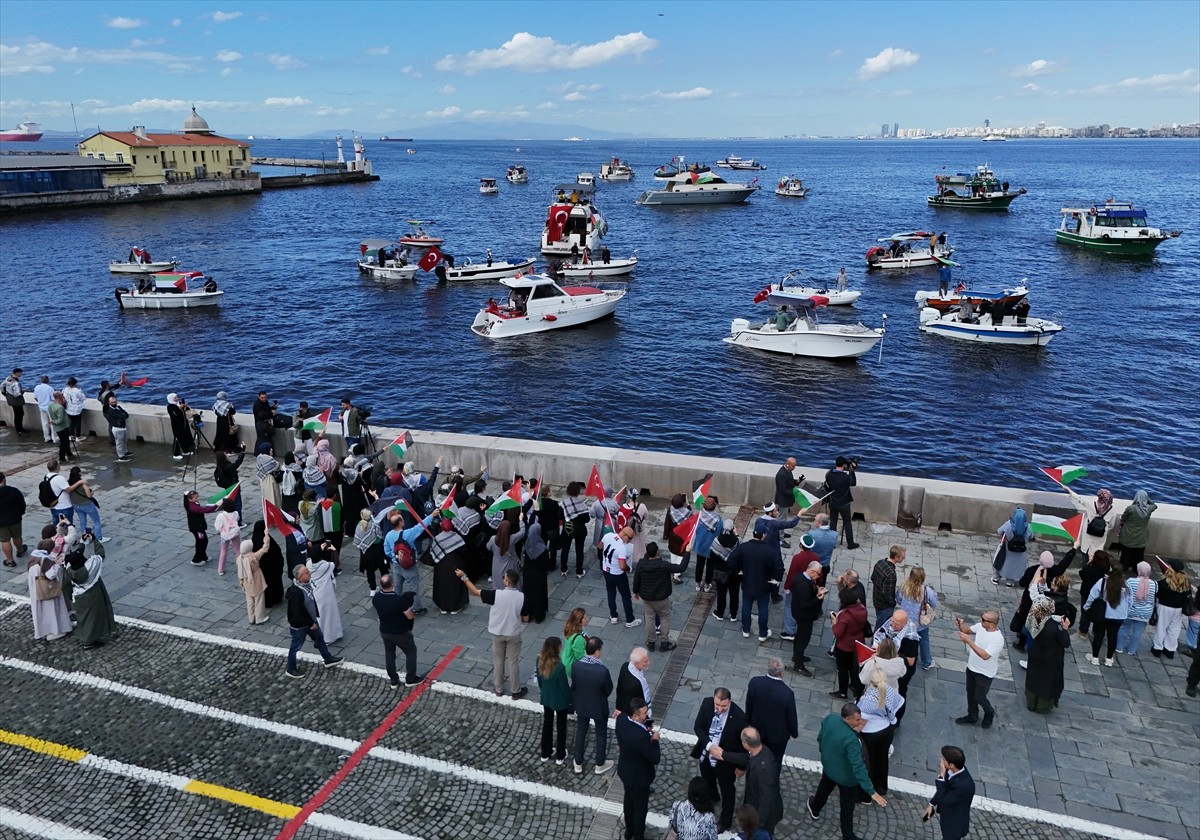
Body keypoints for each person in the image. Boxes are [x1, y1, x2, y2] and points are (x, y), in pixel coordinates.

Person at [808, 703, 887, 840]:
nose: (860, 722)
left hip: (830, 768)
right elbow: (858, 767)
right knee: (847, 806)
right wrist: (871, 792)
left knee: (824, 789)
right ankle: (848, 835)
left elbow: (821, 738)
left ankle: (815, 808)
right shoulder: (851, 740)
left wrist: (825, 754)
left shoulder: (830, 719)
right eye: (857, 719)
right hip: (847, 778)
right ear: (847, 719)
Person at [461, 568, 527, 699]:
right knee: (513, 662)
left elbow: (474, 591)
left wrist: (464, 577)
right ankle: (515, 690)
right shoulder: (521, 597)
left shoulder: (496, 595)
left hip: (497, 632)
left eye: (504, 577)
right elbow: (525, 617)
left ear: (507, 582)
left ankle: (499, 689)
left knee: (498, 661)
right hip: (513, 633)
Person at [691, 687, 747, 834]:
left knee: (728, 790)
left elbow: (743, 745)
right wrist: (709, 746)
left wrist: (741, 767)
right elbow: (698, 727)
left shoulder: (740, 717)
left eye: (724, 706)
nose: (720, 709)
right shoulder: (706, 704)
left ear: (730, 702)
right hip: (707, 754)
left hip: (726, 760)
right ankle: (713, 797)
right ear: (713, 699)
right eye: (717, 705)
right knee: (707, 779)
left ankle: (725, 820)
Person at [715, 727, 782, 837]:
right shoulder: (761, 751)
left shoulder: (763, 770)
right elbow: (746, 758)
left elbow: (767, 799)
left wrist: (756, 824)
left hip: (765, 817)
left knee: (764, 836)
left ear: (745, 744)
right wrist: (723, 755)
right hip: (757, 808)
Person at [284, 564, 343, 678]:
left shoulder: (305, 585)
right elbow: (297, 614)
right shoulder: (296, 593)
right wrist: (310, 623)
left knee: (320, 638)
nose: (309, 573)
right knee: (295, 647)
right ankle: (291, 668)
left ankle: (328, 659)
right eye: (306, 572)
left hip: (310, 621)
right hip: (301, 625)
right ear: (300, 577)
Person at [727, 526, 784, 643]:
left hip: (747, 582)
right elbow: (780, 567)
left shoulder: (744, 547)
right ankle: (763, 633)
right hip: (764, 585)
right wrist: (776, 579)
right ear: (764, 535)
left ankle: (746, 629)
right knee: (763, 608)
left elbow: (731, 560)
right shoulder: (770, 550)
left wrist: (738, 571)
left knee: (746, 606)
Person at [616, 696, 661, 840]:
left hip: (625, 770)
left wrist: (645, 726)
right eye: (644, 714)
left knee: (628, 801)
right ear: (635, 716)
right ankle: (638, 835)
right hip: (640, 777)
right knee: (640, 808)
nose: (646, 715)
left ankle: (629, 831)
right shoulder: (640, 737)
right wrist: (655, 740)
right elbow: (655, 758)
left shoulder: (622, 719)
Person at [570, 636, 615, 774]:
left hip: (582, 705)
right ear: (596, 652)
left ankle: (578, 763)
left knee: (581, 732)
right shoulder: (602, 671)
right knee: (601, 734)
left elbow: (574, 686)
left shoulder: (576, 666)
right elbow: (608, 689)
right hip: (598, 706)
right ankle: (600, 764)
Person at [856, 669, 903, 795]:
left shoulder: (868, 699)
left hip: (870, 733)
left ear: (871, 681)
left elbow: (862, 720)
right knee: (882, 758)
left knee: (868, 761)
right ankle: (881, 787)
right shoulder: (889, 690)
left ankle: (866, 792)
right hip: (887, 730)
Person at [745, 658, 797, 773]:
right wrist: (794, 732)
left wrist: (748, 722)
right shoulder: (787, 693)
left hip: (757, 731)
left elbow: (749, 704)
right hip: (777, 736)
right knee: (775, 761)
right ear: (782, 673)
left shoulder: (755, 682)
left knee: (754, 756)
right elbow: (791, 716)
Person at [372, 573, 423, 688]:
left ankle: (394, 680)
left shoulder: (376, 598)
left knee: (389, 654)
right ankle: (410, 678)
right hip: (400, 632)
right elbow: (410, 616)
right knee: (411, 652)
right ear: (392, 584)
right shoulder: (398, 600)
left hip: (385, 631)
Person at [954, 610, 1003, 728]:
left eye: (983, 619)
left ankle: (989, 712)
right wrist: (961, 624)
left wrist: (969, 642)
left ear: (992, 623)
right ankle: (972, 715)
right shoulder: (981, 627)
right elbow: (967, 630)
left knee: (979, 697)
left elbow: (985, 655)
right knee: (970, 693)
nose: (980, 621)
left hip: (985, 673)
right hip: (972, 668)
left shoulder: (997, 639)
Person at [1024, 595, 1071, 713]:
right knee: (1046, 682)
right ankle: (1042, 705)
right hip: (1050, 659)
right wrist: (1065, 629)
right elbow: (1065, 643)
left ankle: (1031, 702)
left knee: (1033, 678)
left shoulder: (1033, 620)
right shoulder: (1053, 627)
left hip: (1035, 654)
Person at [66, 545, 116, 650]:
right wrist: (94, 540)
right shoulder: (91, 568)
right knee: (93, 619)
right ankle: (89, 641)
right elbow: (100, 554)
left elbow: (65, 583)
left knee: (84, 618)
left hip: (78, 596)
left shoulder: (69, 570)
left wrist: (82, 543)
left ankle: (86, 637)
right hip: (92, 596)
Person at [923, 745, 976, 840]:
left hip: (954, 824)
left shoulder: (964, 786)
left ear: (952, 765)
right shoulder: (952, 771)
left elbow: (942, 798)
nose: (941, 761)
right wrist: (931, 804)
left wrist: (941, 776)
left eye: (943, 759)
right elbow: (943, 790)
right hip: (948, 815)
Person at [871, 610, 921, 712]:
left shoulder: (910, 639)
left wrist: (887, 653)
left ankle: (897, 716)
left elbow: (910, 662)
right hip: (889, 664)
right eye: (892, 621)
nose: (893, 625)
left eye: (897, 624)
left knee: (900, 692)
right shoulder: (888, 624)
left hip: (902, 670)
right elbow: (881, 635)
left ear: (905, 623)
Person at [632, 541, 674, 651]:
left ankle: (651, 641)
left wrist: (636, 591)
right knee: (664, 618)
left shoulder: (641, 564)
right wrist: (687, 553)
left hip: (647, 598)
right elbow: (681, 567)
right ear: (657, 552)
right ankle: (664, 642)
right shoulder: (664, 565)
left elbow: (636, 579)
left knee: (649, 618)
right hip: (662, 598)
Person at [535, 637, 571, 764]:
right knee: (561, 726)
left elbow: (539, 680)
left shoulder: (539, 660)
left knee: (547, 723)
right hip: (560, 700)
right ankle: (560, 755)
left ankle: (546, 752)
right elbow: (564, 687)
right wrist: (570, 699)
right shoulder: (560, 668)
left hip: (546, 697)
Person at [27, 542, 72, 641]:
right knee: (52, 611)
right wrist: (57, 564)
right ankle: (55, 631)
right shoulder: (45, 560)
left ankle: (48, 629)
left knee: (42, 612)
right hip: (47, 589)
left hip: (36, 588)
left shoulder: (33, 555)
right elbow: (51, 574)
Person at [1084, 570, 1130, 666]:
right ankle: (1109, 659)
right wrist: (1126, 612)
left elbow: (1092, 595)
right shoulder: (1126, 585)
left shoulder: (1103, 582)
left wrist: (1087, 606)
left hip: (1103, 614)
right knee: (1113, 636)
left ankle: (1095, 658)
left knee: (1099, 635)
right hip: (1118, 616)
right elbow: (1130, 601)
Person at [897, 566, 940, 669]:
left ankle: (900, 658)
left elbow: (898, 600)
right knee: (924, 640)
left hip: (905, 622)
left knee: (902, 639)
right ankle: (927, 662)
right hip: (920, 622)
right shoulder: (926, 590)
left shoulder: (903, 587)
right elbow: (934, 603)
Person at [789, 560, 826, 676]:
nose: (819, 576)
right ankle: (798, 665)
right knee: (803, 639)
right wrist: (818, 598)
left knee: (799, 636)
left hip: (798, 612)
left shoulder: (799, 576)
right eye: (818, 574)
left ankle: (797, 656)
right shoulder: (804, 585)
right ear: (811, 571)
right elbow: (805, 604)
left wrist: (816, 591)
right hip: (804, 616)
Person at [831, 587, 869, 699]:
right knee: (853, 667)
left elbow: (837, 632)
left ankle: (842, 692)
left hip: (844, 645)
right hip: (858, 642)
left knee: (843, 669)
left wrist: (834, 623)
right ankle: (854, 686)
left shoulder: (845, 616)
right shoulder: (862, 609)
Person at [601, 526, 641, 628]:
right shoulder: (621, 548)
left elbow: (600, 545)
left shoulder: (608, 536)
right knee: (626, 596)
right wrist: (629, 569)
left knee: (611, 593)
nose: (630, 541)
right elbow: (622, 565)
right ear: (625, 535)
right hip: (618, 574)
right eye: (630, 538)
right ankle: (630, 619)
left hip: (606, 570)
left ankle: (613, 615)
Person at [782, 533, 820, 640]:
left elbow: (792, 574)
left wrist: (787, 586)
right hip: (809, 586)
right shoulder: (816, 557)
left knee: (789, 607)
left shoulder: (797, 558)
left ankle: (790, 631)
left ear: (800, 545)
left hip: (796, 587)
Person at [1116, 561, 1157, 656]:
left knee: (1123, 628)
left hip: (1130, 610)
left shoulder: (1130, 581)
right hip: (1145, 613)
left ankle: (1119, 647)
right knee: (1138, 632)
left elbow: (1125, 595)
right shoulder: (1154, 584)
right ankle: (1132, 650)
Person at [1153, 559, 1192, 658]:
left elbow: (1158, 593)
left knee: (1161, 627)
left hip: (1164, 607)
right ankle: (1169, 650)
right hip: (1178, 609)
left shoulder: (1164, 581)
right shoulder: (1185, 582)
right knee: (1174, 629)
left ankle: (1157, 648)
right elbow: (1187, 594)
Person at [430, 518, 469, 615]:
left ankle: (443, 607)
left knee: (442, 585)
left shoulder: (437, 538)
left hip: (441, 566)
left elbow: (432, 552)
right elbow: (463, 550)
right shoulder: (457, 537)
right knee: (455, 585)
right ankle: (455, 607)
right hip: (456, 564)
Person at [1067, 487, 1117, 558]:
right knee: (1096, 556)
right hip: (1100, 537)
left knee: (1084, 553)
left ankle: (1085, 565)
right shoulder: (1113, 509)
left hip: (1087, 535)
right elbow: (1111, 525)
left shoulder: (1091, 504)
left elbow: (1079, 499)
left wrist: (1068, 490)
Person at [306, 549, 343, 643]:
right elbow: (335, 563)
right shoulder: (326, 566)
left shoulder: (308, 564)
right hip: (326, 593)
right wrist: (334, 550)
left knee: (320, 616)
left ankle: (321, 635)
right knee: (330, 614)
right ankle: (332, 636)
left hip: (315, 593)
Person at [1116, 491, 1157, 573]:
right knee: (1139, 555)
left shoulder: (1131, 508)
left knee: (1126, 554)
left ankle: (1124, 568)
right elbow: (1155, 505)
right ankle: (1137, 569)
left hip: (1128, 535)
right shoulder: (1149, 509)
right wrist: (1147, 499)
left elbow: (1123, 518)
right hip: (1141, 537)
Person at [709, 519, 741, 622]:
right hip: (735, 573)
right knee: (734, 594)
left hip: (720, 572)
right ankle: (733, 615)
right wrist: (737, 534)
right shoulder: (738, 541)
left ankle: (720, 613)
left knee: (721, 593)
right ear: (732, 528)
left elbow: (711, 558)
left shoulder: (716, 541)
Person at [824, 457, 859, 549]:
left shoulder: (829, 474)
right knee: (847, 522)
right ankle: (850, 543)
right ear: (844, 465)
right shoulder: (846, 477)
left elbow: (826, 486)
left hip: (833, 502)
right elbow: (853, 483)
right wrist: (852, 470)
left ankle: (832, 543)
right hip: (844, 503)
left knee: (833, 521)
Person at [1076, 549, 1111, 638]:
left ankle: (1083, 630)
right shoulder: (1106, 572)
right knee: (1098, 612)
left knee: (1085, 612)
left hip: (1086, 593)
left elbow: (1082, 573)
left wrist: (1088, 562)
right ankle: (1095, 631)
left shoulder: (1088, 569)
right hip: (1100, 596)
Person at [236, 538, 271, 625]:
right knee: (259, 599)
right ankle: (259, 618)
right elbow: (265, 548)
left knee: (250, 601)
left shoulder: (239, 558)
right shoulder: (253, 557)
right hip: (256, 580)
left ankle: (251, 618)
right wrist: (266, 537)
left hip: (246, 581)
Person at [690, 496, 722, 591]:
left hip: (700, 546)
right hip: (712, 547)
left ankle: (698, 583)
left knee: (699, 564)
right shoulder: (718, 520)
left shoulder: (698, 517)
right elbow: (721, 532)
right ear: (714, 507)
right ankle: (707, 584)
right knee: (710, 566)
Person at [993, 508, 1031, 586]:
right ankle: (1009, 581)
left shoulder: (1008, 525)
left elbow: (999, 531)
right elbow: (1031, 536)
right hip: (1020, 551)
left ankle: (996, 578)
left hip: (1007, 549)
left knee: (1002, 561)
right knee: (1014, 565)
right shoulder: (1028, 527)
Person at [252, 520, 286, 606]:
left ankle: (267, 601)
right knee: (274, 584)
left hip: (262, 570)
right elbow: (277, 553)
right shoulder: (268, 541)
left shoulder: (254, 540)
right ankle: (276, 597)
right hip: (273, 569)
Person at [560, 481, 590, 578]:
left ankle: (563, 569)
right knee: (579, 550)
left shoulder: (564, 503)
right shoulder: (582, 503)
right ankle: (579, 571)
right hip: (580, 529)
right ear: (578, 491)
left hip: (568, 527)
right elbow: (587, 519)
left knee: (565, 549)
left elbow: (559, 515)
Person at [616, 646, 654, 723]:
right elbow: (636, 705)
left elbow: (619, 688)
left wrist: (618, 707)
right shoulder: (635, 684)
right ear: (636, 663)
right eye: (645, 661)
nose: (648, 663)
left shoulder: (625, 666)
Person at [870, 546, 904, 630]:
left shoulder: (880, 562)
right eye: (902, 557)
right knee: (881, 628)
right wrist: (893, 603)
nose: (904, 558)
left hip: (876, 598)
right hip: (884, 606)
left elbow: (872, 578)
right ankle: (875, 642)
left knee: (879, 620)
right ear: (896, 557)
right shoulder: (891, 574)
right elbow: (887, 594)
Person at [0, 471, 29, 568]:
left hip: (1, 523)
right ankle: (20, 550)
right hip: (15, 519)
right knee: (17, 536)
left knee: (5, 540)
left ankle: (10, 560)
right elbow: (22, 505)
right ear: (3, 480)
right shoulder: (14, 491)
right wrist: (20, 513)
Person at [214, 446, 247, 525]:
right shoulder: (228, 466)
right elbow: (238, 462)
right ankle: (238, 522)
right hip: (233, 485)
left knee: (231, 501)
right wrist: (242, 451)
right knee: (237, 503)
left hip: (227, 486)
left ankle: (231, 519)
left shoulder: (220, 465)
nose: (227, 455)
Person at [664, 492, 693, 582]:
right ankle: (676, 574)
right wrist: (688, 504)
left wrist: (666, 535)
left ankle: (673, 569)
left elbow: (666, 524)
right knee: (681, 555)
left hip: (672, 537)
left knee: (673, 553)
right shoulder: (687, 513)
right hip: (682, 538)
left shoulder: (670, 511)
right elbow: (692, 517)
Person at [102, 393, 132, 461]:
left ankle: (125, 452)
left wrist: (123, 415)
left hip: (123, 427)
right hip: (117, 428)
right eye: (112, 402)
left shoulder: (118, 407)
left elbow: (126, 414)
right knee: (119, 443)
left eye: (115, 402)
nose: (114, 403)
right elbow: (121, 416)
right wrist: (123, 415)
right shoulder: (110, 411)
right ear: (109, 403)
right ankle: (121, 456)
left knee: (124, 441)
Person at [214, 498, 240, 576]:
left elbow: (217, 527)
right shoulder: (236, 513)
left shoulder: (221, 515)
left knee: (223, 551)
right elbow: (237, 520)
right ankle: (241, 567)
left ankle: (220, 569)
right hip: (235, 533)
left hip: (225, 535)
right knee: (238, 550)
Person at [44, 459, 73, 527]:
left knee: (57, 526)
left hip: (54, 506)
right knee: (65, 526)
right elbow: (68, 490)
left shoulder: (47, 477)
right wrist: (79, 483)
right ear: (57, 467)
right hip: (63, 507)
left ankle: (57, 536)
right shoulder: (59, 478)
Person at [561, 607, 590, 675]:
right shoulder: (578, 638)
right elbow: (580, 656)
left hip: (566, 656)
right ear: (578, 621)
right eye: (585, 618)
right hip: (572, 665)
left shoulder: (572, 627)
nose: (587, 619)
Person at [166, 394, 195, 460]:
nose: (176, 399)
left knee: (185, 437)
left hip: (184, 424)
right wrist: (179, 407)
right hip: (177, 426)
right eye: (175, 398)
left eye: (176, 397)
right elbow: (175, 413)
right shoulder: (170, 406)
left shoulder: (179, 404)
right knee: (178, 439)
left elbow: (186, 411)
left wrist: (185, 406)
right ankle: (176, 454)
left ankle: (186, 451)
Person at [3, 368, 29, 436]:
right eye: (20, 373)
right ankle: (19, 430)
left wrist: (5, 394)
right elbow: (17, 394)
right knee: (19, 414)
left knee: (17, 414)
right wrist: (23, 391)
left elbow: (2, 386)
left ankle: (19, 429)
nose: (21, 374)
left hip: (11, 400)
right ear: (17, 373)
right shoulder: (16, 383)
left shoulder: (8, 378)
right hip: (17, 401)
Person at [48, 391, 71, 462]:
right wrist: (53, 422)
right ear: (59, 396)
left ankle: (69, 453)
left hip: (58, 428)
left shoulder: (51, 405)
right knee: (64, 442)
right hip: (63, 427)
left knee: (65, 441)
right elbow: (60, 420)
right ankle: (62, 458)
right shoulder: (60, 407)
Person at [63, 377, 85, 441]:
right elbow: (83, 398)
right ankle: (78, 436)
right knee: (78, 423)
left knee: (72, 422)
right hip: (77, 409)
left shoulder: (65, 389)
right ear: (75, 383)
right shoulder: (77, 391)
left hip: (68, 409)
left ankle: (71, 435)